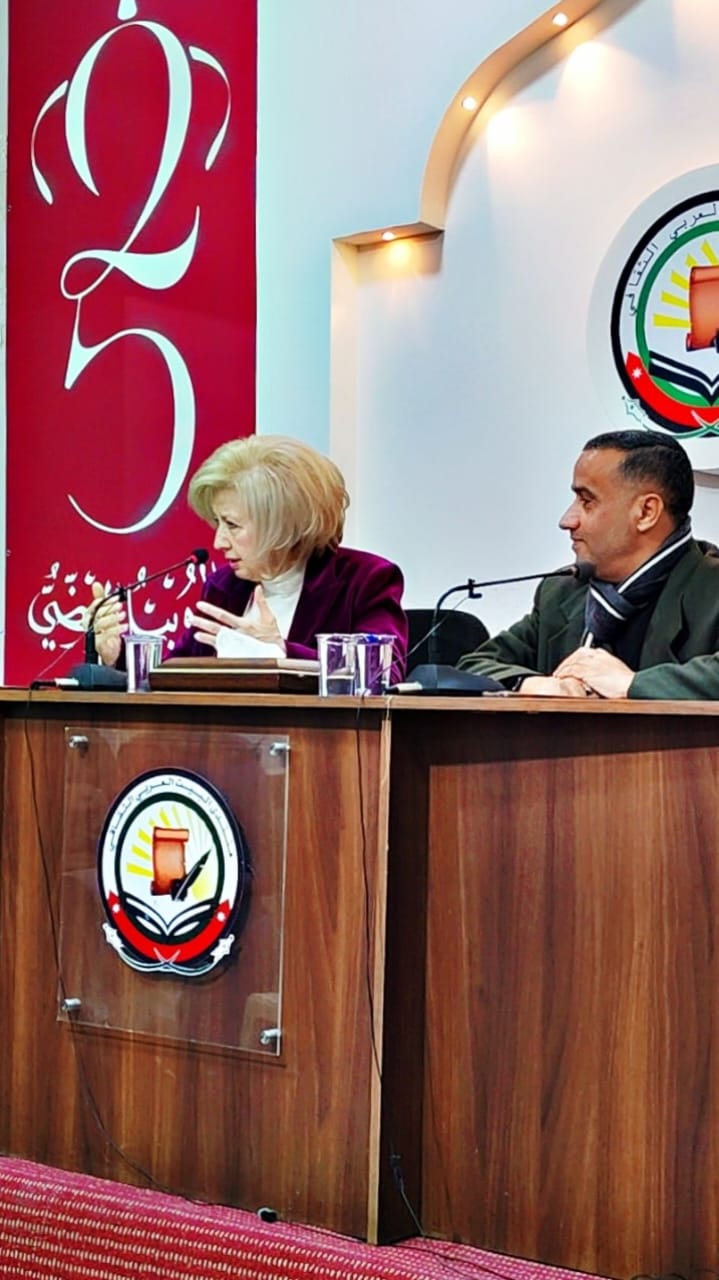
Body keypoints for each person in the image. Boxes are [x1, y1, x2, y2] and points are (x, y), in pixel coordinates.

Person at [89, 434, 408, 679]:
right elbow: (177, 674)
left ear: (281, 524)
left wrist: (280, 651)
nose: (218, 541)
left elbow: (381, 675)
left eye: (232, 525)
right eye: (217, 522)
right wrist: (116, 655)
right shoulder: (225, 586)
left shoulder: (365, 580)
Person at [457, 428, 719, 699]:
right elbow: (472, 666)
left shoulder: (710, 588)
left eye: (587, 501)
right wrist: (530, 684)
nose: (567, 520)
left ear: (645, 512)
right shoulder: (561, 592)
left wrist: (630, 684)